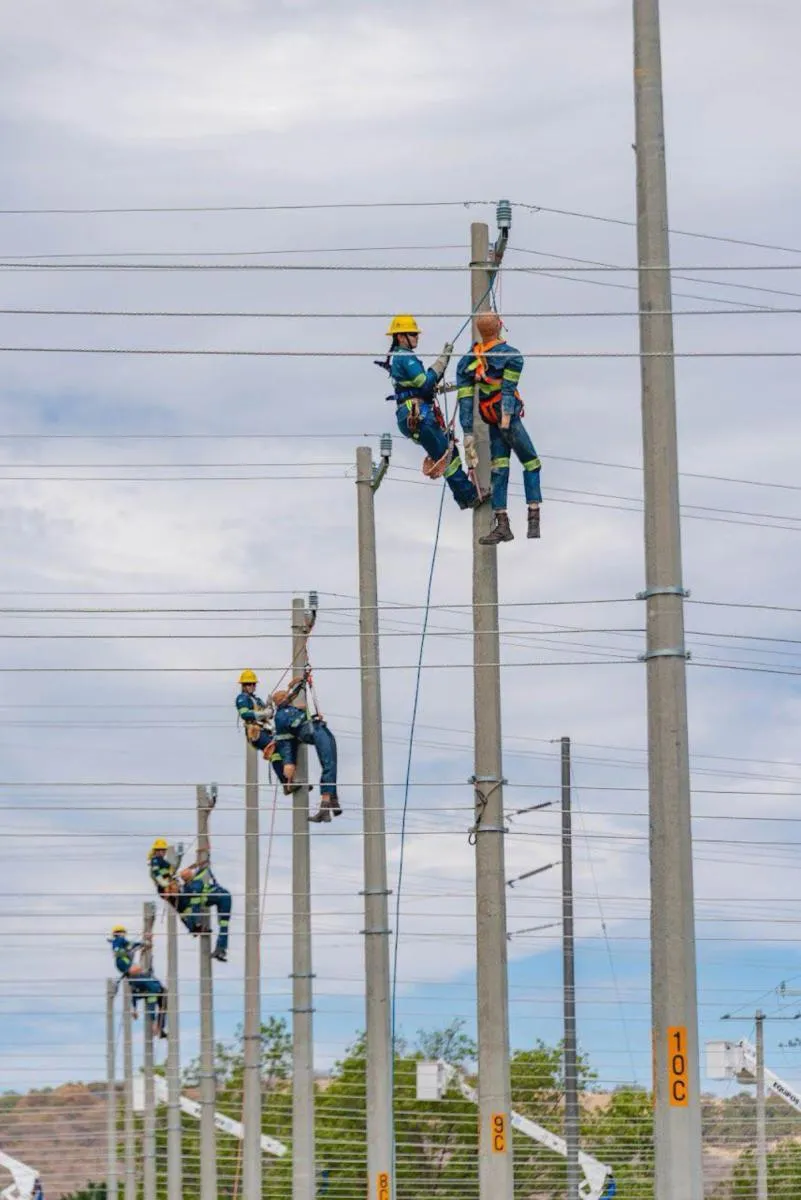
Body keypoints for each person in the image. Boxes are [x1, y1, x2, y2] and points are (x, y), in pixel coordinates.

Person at [456, 312, 542, 544]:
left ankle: (502, 522)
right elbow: (508, 388)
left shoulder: (468, 361)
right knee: (532, 463)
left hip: (490, 420)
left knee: (499, 468)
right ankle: (533, 518)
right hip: (507, 421)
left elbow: (465, 400)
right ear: (500, 327)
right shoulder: (511, 356)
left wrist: (467, 433)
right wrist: (506, 416)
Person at [381, 314, 480, 509]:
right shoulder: (404, 357)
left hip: (416, 415)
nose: (417, 337)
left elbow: (427, 385)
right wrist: (442, 360)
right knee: (447, 458)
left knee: (449, 452)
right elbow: (426, 384)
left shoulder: (401, 358)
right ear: (401, 337)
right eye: (413, 334)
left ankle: (463, 498)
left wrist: (442, 363)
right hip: (418, 415)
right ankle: (469, 496)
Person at [267, 671, 340, 824]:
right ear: (279, 702)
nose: (287, 697)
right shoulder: (281, 716)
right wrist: (305, 714)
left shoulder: (288, 707)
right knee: (328, 764)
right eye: (284, 697)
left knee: (331, 762)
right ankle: (326, 804)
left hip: (319, 730)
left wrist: (302, 681)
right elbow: (290, 733)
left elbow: (293, 694)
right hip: (314, 732)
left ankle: (332, 801)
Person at [109, 926, 167, 1038]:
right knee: (157, 991)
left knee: (154, 996)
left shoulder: (124, 948)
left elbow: (134, 946)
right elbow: (129, 946)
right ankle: (157, 1025)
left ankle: (158, 1025)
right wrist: (145, 942)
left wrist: (145, 943)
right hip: (142, 982)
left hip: (143, 987)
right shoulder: (120, 942)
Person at [178, 861, 232, 963]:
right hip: (223, 896)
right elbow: (204, 869)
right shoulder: (194, 883)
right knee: (223, 924)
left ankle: (220, 949)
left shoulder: (193, 886)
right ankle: (221, 949)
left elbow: (195, 907)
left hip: (222, 897)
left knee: (223, 924)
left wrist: (197, 924)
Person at [235, 668, 275, 753]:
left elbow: (270, 715)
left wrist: (270, 706)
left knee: (279, 748)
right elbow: (245, 714)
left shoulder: (257, 700)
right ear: (243, 685)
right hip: (255, 731)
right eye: (249, 684)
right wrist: (265, 713)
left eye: (253, 684)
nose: (252, 686)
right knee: (274, 748)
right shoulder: (242, 698)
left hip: (265, 730)